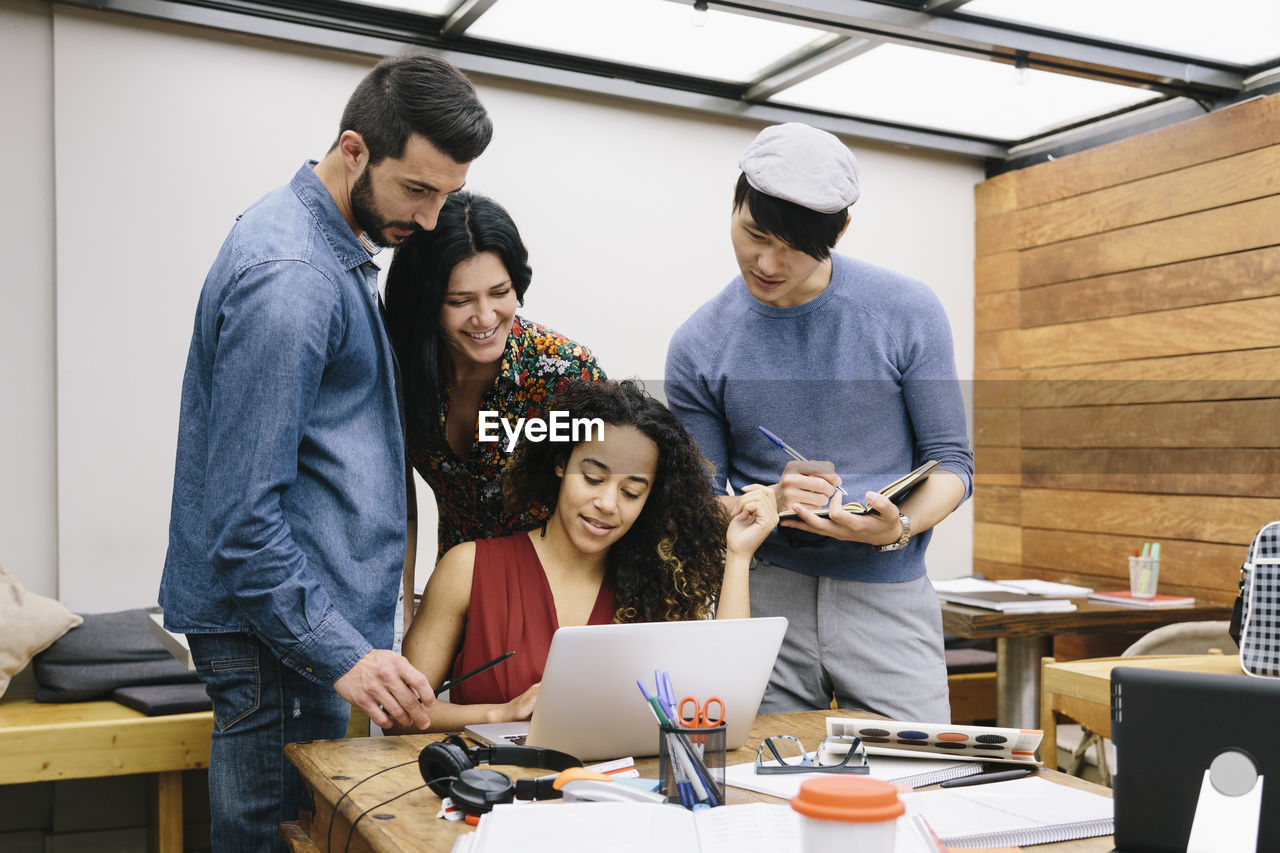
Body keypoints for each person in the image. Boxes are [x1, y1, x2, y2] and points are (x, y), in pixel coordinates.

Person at [158, 54, 492, 852]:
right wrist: (346, 652)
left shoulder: (324, 246)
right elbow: (242, 519)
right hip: (279, 641)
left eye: (447, 192)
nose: (434, 217)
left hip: (293, 632)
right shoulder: (295, 276)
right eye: (417, 190)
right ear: (353, 150)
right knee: (273, 842)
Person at [664, 123, 974, 723]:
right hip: (764, 594)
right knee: (757, 777)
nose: (768, 262)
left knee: (915, 783)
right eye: (754, 233)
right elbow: (694, 504)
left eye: (795, 247)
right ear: (734, 203)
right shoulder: (699, 344)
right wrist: (769, 501)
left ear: (840, 234)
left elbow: (953, 464)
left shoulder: (907, 311)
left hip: (890, 593)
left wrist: (897, 526)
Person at [396, 379, 778, 732]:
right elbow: (401, 715)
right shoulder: (469, 567)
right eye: (593, 479)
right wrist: (499, 713)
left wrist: (739, 554)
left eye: (631, 492)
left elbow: (721, 702)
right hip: (493, 792)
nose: (607, 503)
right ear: (561, 463)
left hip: (617, 795)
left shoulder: (655, 585)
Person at [382, 191, 605, 620]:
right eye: (459, 301)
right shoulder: (401, 369)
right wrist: (402, 615)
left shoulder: (566, 372)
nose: (485, 318)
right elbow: (398, 502)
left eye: (499, 293)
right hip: (456, 597)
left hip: (555, 602)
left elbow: (606, 501)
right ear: (425, 303)